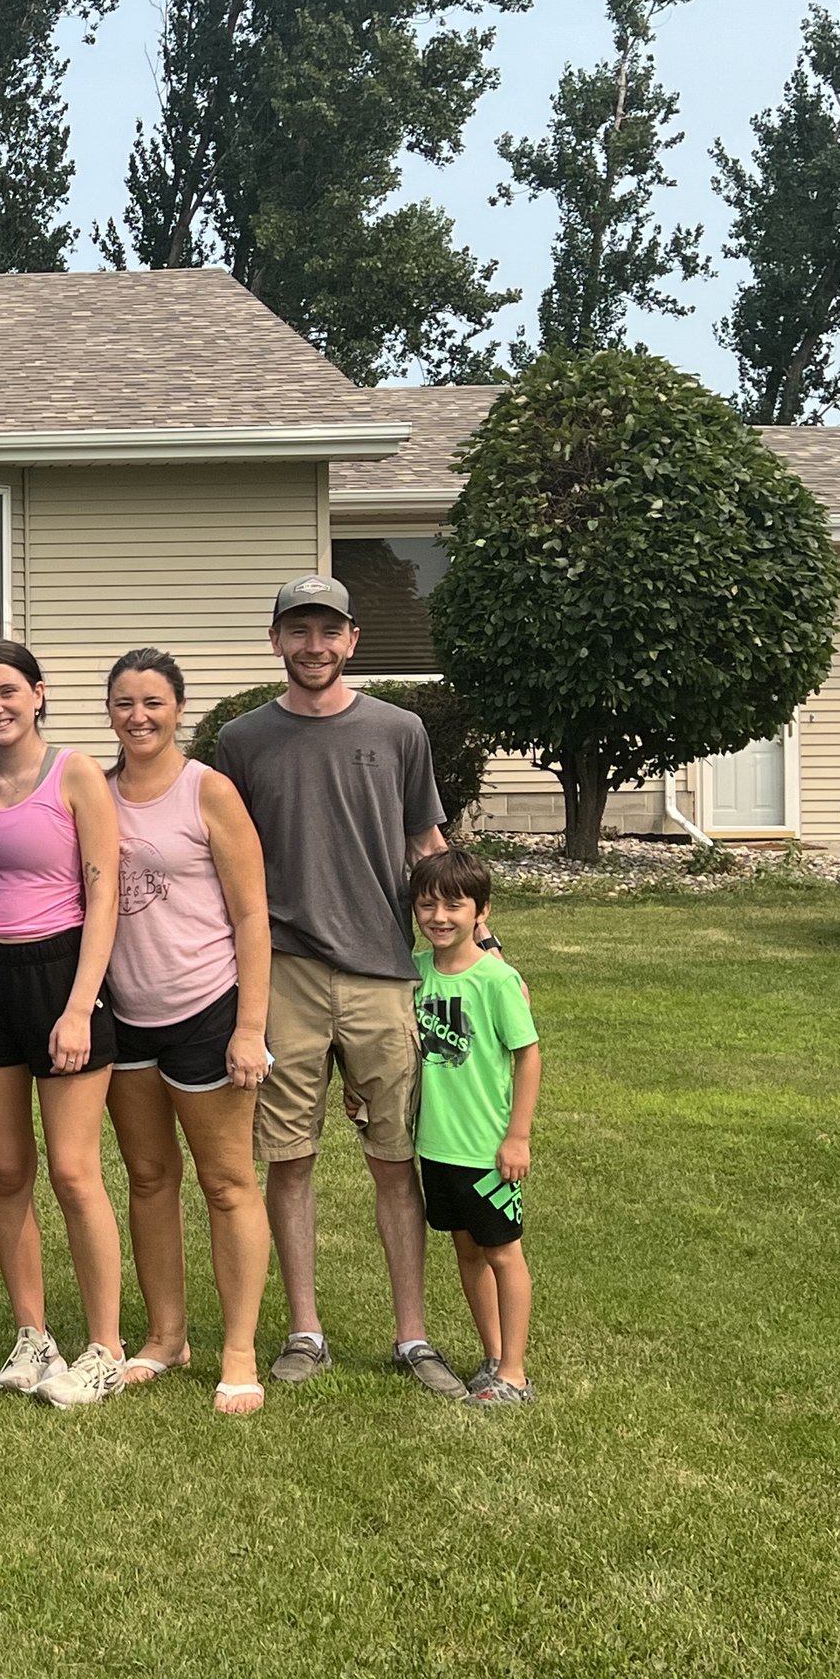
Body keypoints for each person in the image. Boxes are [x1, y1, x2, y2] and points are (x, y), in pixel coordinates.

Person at [212, 574, 464, 1397]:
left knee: (395, 1159)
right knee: (290, 1158)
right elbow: (225, 860)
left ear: (352, 639)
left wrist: (481, 946)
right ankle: (305, 1329)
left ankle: (413, 1336)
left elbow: (426, 841)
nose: (313, 645)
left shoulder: (399, 730)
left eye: (328, 630)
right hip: (282, 973)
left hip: (382, 973)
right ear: (275, 639)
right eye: (298, 630)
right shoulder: (243, 740)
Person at [0, 640, 125, 1408]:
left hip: (61, 973)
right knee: (7, 1170)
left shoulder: (75, 772)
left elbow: (103, 890)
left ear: (39, 693)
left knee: (74, 1171)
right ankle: (32, 1335)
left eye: (8, 690)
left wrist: (80, 1003)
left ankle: (106, 1347)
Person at [100, 648, 276, 1418]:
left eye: (153, 702)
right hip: (125, 1014)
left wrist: (251, 1026)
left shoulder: (210, 791)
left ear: (179, 708)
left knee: (227, 1180)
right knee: (147, 1176)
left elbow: (252, 916)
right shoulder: (95, 794)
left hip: (207, 1007)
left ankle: (238, 1348)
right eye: (124, 702)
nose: (138, 715)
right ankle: (167, 1334)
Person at [408, 847, 542, 1406]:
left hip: (486, 1150)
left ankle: (514, 1373)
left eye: (454, 906)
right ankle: (491, 1355)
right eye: (426, 905)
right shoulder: (413, 973)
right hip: (434, 1147)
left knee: (503, 1252)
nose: (439, 917)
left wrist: (518, 1136)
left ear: (480, 912)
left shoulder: (496, 980)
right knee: (466, 1251)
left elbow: (528, 1054)